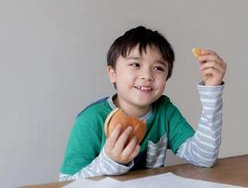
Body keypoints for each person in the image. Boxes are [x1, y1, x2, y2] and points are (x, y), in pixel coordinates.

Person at [59, 26, 227, 181]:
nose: (147, 75)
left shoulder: (165, 111)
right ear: (113, 73)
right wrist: (110, 161)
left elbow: (203, 157)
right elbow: (66, 182)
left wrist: (211, 92)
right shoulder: (91, 120)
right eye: (135, 64)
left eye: (158, 68)